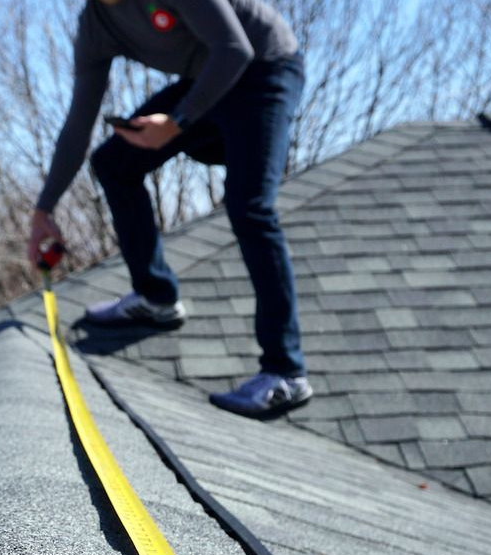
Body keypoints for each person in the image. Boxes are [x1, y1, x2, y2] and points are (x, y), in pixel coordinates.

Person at [27, 0, 311, 418]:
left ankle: (286, 373)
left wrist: (177, 121)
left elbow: (235, 50)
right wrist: (43, 211)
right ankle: (155, 298)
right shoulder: (95, 24)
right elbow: (79, 121)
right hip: (208, 80)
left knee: (250, 207)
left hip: (265, 69)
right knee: (114, 163)